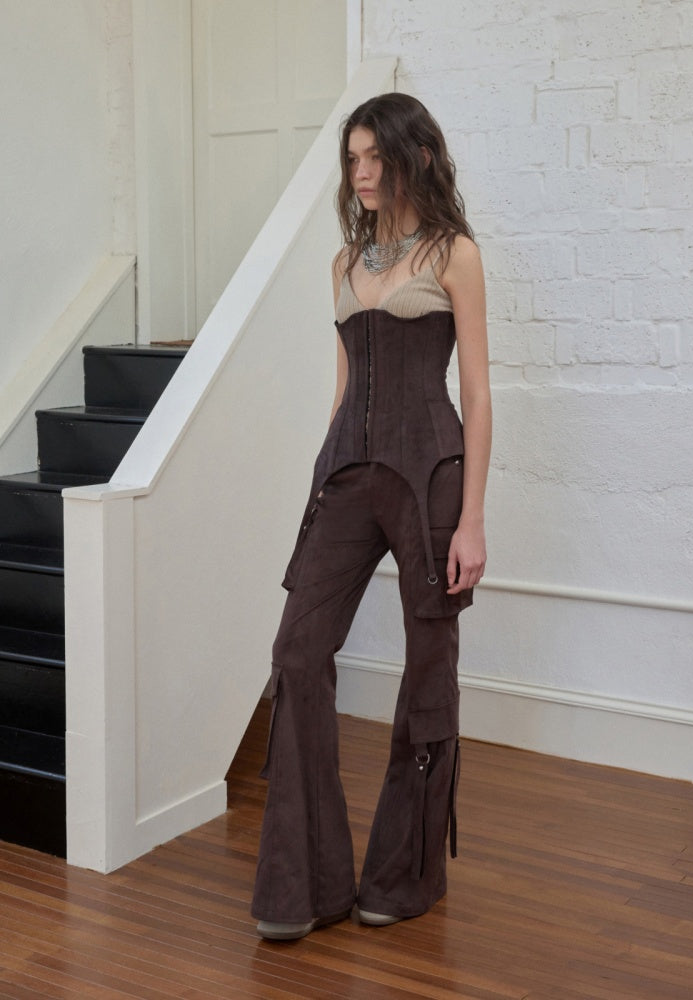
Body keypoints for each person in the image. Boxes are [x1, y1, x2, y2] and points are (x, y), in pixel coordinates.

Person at [252, 92, 491, 941]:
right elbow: (346, 387)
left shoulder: (455, 253)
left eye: (372, 157)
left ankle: (403, 873)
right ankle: (308, 882)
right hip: (347, 476)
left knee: (428, 667)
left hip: (430, 479)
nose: (358, 172)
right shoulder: (344, 262)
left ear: (413, 155)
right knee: (297, 651)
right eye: (351, 159)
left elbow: (477, 395)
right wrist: (319, 484)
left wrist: (473, 520)